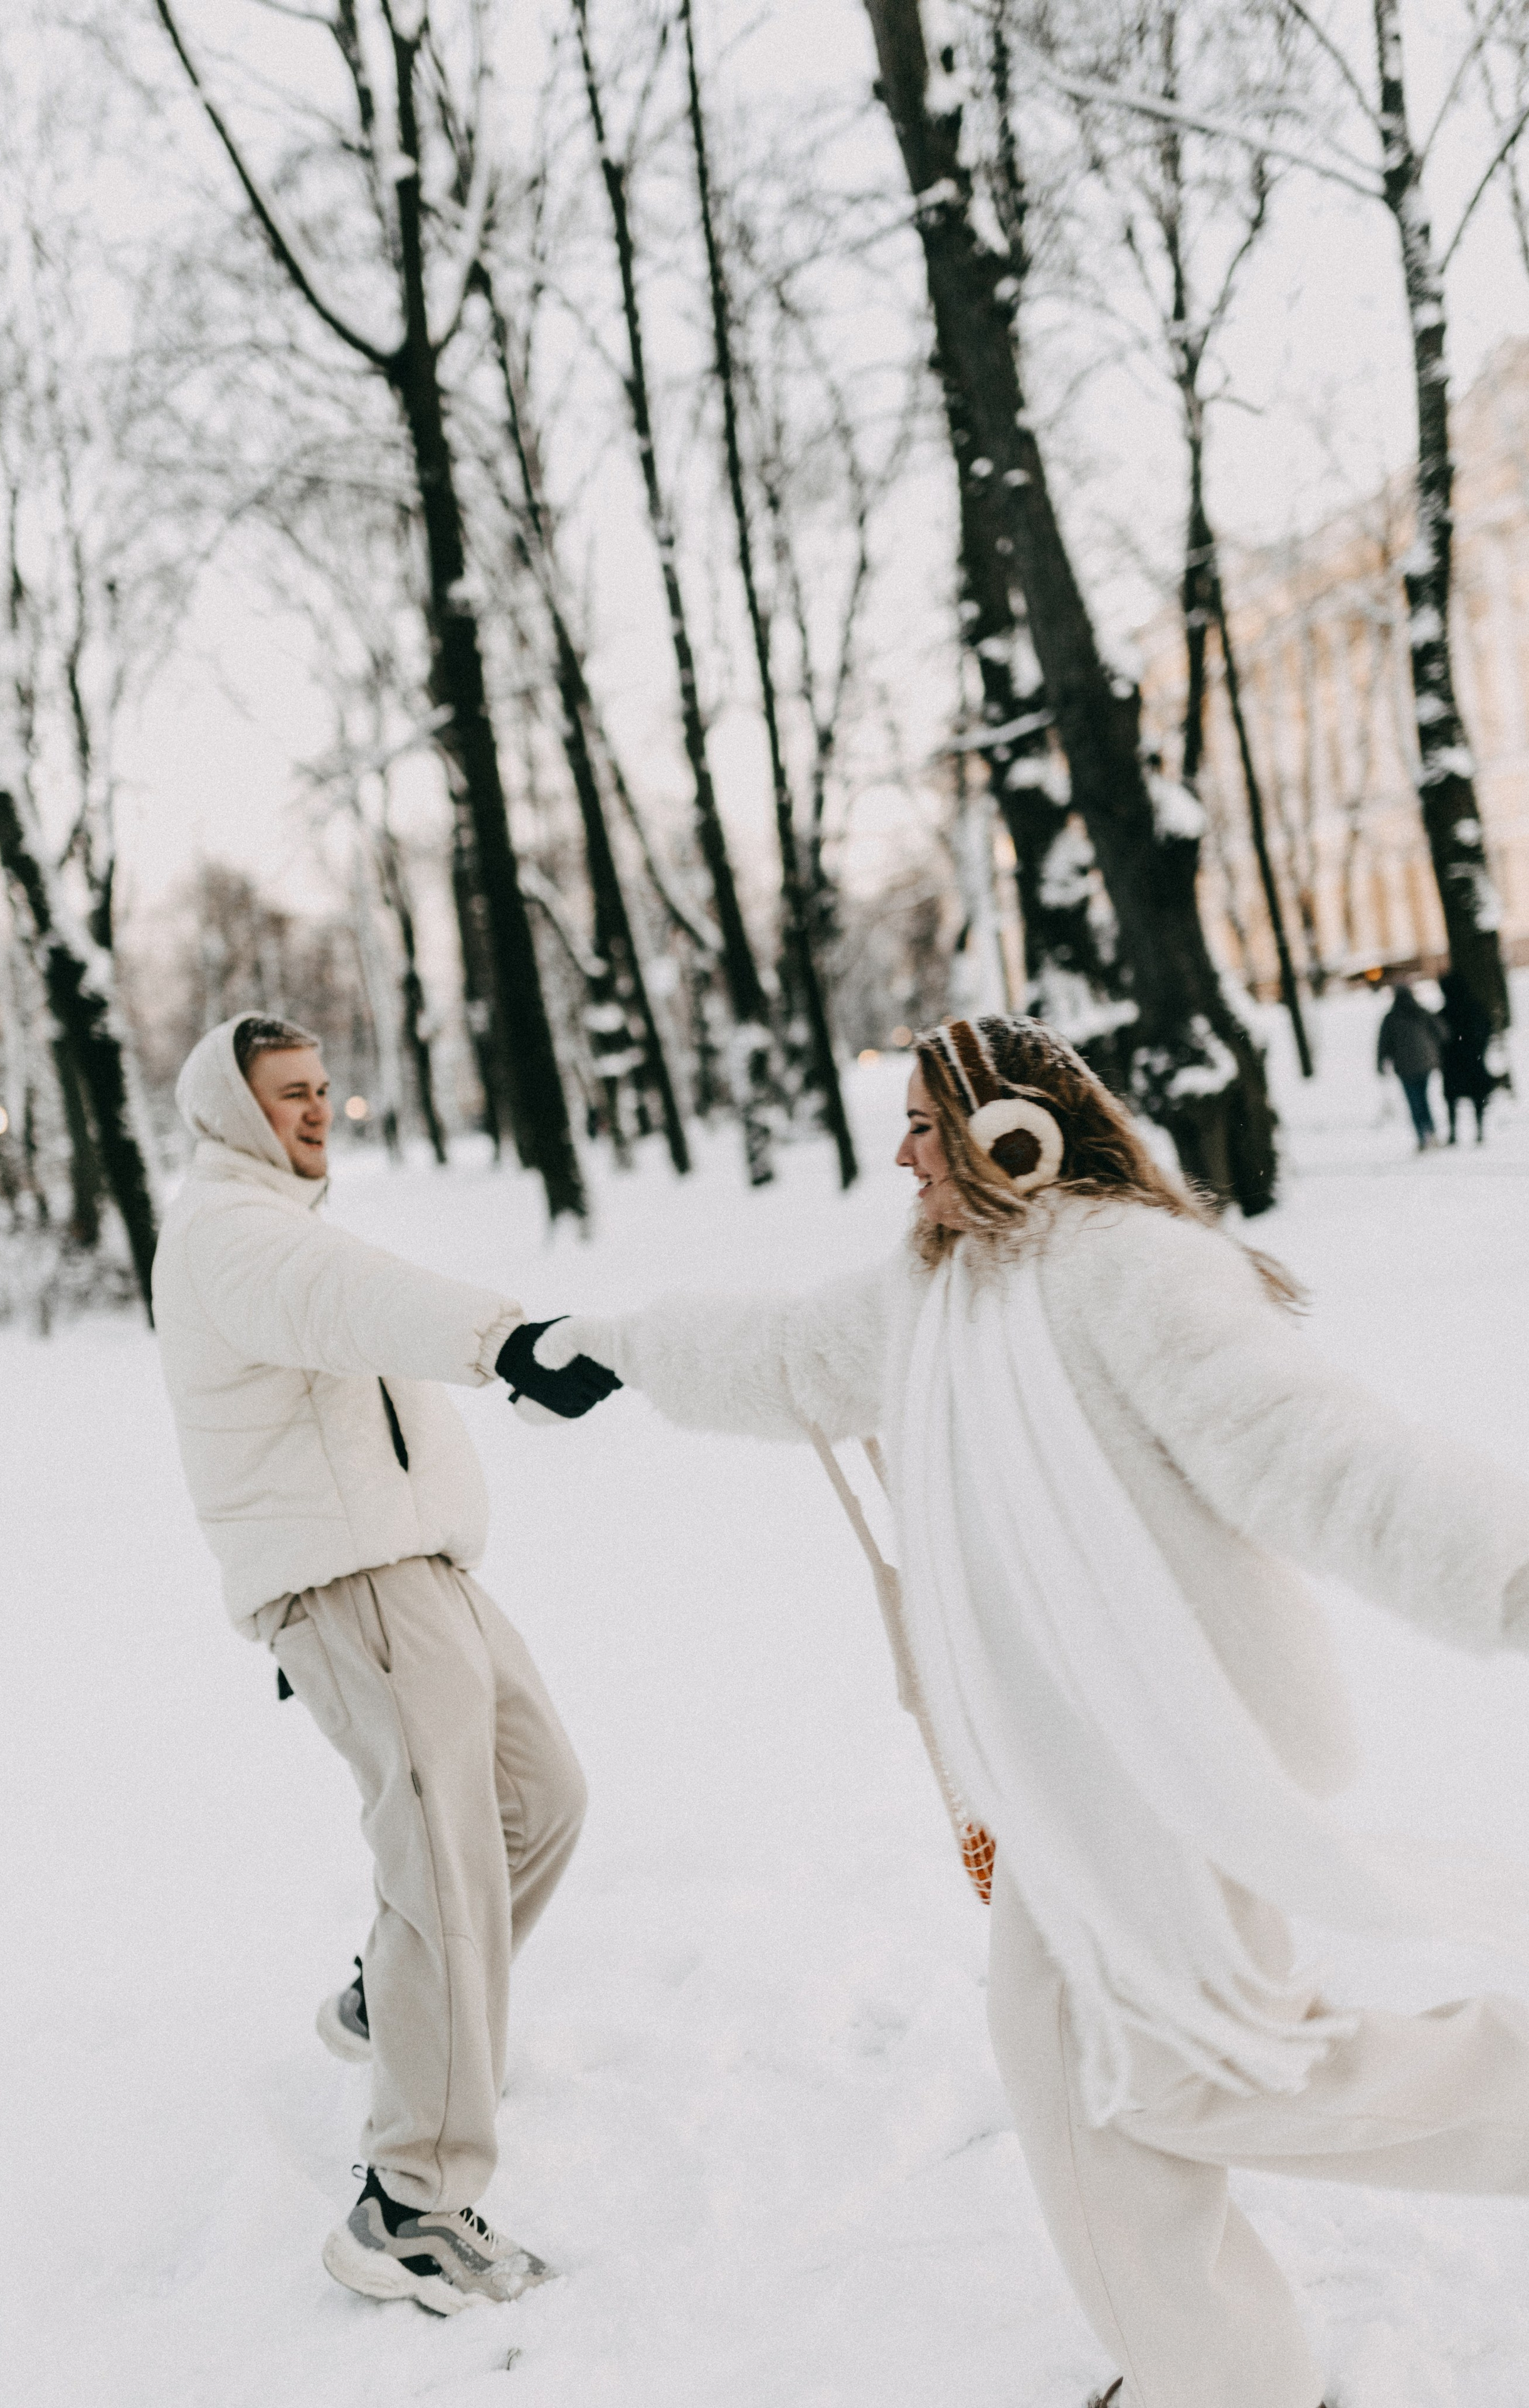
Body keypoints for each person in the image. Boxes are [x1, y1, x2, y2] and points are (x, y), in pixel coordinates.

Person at [519, 1015, 1529, 2408]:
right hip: (1059, 1776)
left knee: (1195, 2080)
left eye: (927, 1128)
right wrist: (606, 1347)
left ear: (1018, 1134)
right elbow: (783, 1357)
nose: (903, 1154)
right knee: (1069, 2080)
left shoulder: (1125, 1271)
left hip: (1169, 1758)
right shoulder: (938, 1293)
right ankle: (1216, 2377)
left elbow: (1311, 1450)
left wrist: (1507, 1563)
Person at [152, 1013, 618, 2316]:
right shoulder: (231, 1233)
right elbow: (358, 1308)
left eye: (319, 1089)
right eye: (286, 1096)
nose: (313, 1111)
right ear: (231, 1113)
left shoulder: (276, 1225)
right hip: (355, 1587)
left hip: (419, 1571)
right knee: (447, 1867)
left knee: (541, 1803)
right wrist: (510, 1338)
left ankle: (392, 2004)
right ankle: (409, 2203)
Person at [1375, 980, 1446, 1149]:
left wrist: (1381, 1063)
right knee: (1424, 1100)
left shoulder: (1391, 1018)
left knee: (1414, 1102)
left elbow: (1383, 1044)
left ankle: (1423, 1137)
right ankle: (1432, 1133)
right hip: (1425, 1063)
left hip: (1405, 1067)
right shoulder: (1420, 1012)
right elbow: (1442, 1032)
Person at [1437, 968, 1500, 1144]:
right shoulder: (1475, 1007)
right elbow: (1487, 1028)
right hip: (1473, 1059)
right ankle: (1479, 1130)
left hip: (1454, 1062)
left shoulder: (1445, 1012)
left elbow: (1439, 1037)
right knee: (1476, 1096)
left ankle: (1453, 1133)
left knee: (1452, 1099)